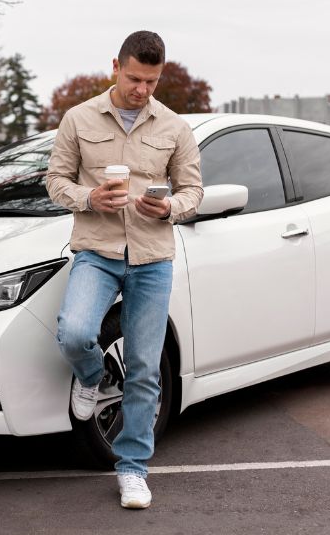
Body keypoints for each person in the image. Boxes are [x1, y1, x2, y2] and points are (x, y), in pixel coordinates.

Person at [46, 31, 203, 509]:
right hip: (96, 250)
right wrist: (88, 198)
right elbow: (55, 181)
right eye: (135, 78)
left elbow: (193, 192)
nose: (142, 89)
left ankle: (132, 469)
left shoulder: (175, 127)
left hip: (153, 259)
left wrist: (170, 207)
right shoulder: (78, 118)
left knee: (144, 368)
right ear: (116, 65)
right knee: (74, 333)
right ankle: (91, 376)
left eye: (152, 81)